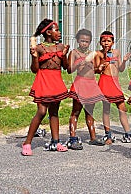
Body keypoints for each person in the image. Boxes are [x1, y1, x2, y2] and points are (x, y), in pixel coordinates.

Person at [22, 19, 69, 156]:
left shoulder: (60, 47)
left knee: (54, 112)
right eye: (57, 30)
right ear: (48, 32)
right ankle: (27, 142)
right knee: (42, 111)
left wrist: (64, 55)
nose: (59, 33)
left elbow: (65, 66)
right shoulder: (39, 48)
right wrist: (35, 57)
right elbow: (34, 69)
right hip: (43, 80)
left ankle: (56, 141)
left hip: (56, 80)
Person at [67, 29, 106, 149]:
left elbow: (93, 69)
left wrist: (99, 68)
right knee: (76, 111)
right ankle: (73, 137)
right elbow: (69, 69)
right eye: (82, 41)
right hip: (80, 83)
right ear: (78, 40)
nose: (84, 43)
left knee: (90, 112)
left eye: (87, 41)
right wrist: (80, 63)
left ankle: (93, 137)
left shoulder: (92, 53)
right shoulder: (74, 53)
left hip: (91, 84)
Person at [95, 30, 131, 144]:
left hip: (115, 83)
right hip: (105, 82)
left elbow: (120, 69)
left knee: (122, 108)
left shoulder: (116, 52)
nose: (106, 43)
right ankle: (108, 134)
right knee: (106, 109)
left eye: (108, 41)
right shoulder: (98, 53)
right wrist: (103, 62)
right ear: (100, 42)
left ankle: (128, 132)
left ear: (113, 42)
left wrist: (125, 61)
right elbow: (97, 69)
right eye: (104, 41)